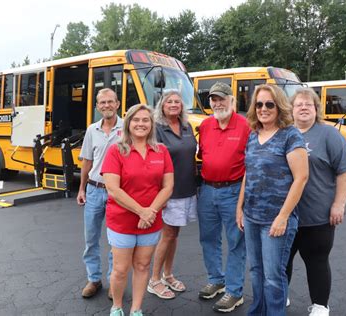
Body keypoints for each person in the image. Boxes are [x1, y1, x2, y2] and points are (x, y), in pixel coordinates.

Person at [236, 84, 309, 316]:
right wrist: (240, 209)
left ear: (279, 107)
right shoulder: (253, 135)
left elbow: (301, 178)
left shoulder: (290, 135)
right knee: (256, 271)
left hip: (275, 220)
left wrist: (283, 217)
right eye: (259, 104)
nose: (263, 109)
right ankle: (257, 311)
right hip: (252, 216)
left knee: (273, 276)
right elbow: (248, 173)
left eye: (269, 104)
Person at [286, 88, 346, 316]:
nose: (304, 108)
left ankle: (319, 305)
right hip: (285, 215)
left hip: (318, 215)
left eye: (309, 104)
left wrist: (339, 204)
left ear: (316, 109)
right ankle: (280, 296)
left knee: (316, 261)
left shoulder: (329, 135)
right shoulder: (284, 134)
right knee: (281, 261)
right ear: (291, 109)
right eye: (299, 104)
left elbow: (345, 171)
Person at [101, 104, 174, 316]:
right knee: (121, 269)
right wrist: (142, 211)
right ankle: (116, 307)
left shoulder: (162, 151)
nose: (141, 124)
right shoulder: (116, 150)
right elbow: (113, 189)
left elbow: (167, 186)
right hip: (122, 222)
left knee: (142, 266)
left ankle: (136, 309)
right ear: (128, 123)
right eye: (136, 120)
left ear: (151, 125)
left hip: (150, 222)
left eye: (146, 120)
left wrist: (150, 211)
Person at [197, 82, 249, 313]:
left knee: (236, 241)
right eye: (213, 99)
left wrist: (245, 198)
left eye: (221, 99)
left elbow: (252, 163)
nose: (217, 103)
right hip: (207, 190)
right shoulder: (206, 126)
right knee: (208, 238)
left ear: (232, 101)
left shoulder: (246, 125)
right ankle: (216, 279)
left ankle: (235, 291)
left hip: (234, 191)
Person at [148, 90, 198, 299]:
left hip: (187, 189)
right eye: (169, 101)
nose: (174, 104)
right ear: (162, 105)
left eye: (178, 101)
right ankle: (154, 280)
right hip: (169, 192)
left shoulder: (187, 127)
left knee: (174, 234)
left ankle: (168, 274)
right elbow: (153, 161)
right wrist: (160, 194)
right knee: (167, 235)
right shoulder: (158, 129)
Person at [77, 88, 122, 298]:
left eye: (110, 102)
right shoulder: (91, 130)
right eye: (102, 102)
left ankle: (114, 281)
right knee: (91, 238)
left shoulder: (127, 128)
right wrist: (81, 188)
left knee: (116, 240)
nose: (106, 105)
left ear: (118, 104)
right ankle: (93, 279)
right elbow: (87, 161)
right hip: (94, 190)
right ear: (97, 106)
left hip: (118, 192)